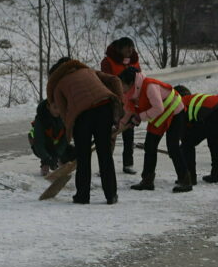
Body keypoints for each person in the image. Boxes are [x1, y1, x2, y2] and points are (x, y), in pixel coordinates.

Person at [47, 57, 123, 205]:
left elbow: (65, 116)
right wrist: (119, 105)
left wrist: (69, 140)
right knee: (105, 154)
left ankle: (82, 196)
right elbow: (115, 80)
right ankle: (111, 195)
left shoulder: (58, 86)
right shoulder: (88, 71)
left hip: (82, 116)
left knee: (83, 157)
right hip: (104, 108)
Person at [118, 67, 192, 193]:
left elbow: (158, 108)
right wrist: (119, 127)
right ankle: (147, 181)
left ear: (130, 83)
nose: (121, 88)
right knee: (150, 146)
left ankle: (185, 180)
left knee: (173, 147)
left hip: (175, 112)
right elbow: (129, 111)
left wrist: (139, 117)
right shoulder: (131, 93)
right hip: (160, 116)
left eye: (122, 84)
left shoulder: (149, 86)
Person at [174, 85, 218, 184]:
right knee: (214, 141)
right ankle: (216, 175)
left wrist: (181, 146)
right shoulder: (194, 99)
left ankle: (190, 177)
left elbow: (185, 131)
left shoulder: (180, 104)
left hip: (215, 115)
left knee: (187, 144)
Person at [100, 37, 141, 174]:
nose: (130, 50)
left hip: (131, 103)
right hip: (114, 103)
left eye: (132, 47)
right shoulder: (107, 62)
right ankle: (106, 165)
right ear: (119, 48)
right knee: (110, 134)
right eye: (127, 47)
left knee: (129, 133)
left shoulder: (135, 62)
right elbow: (106, 81)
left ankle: (128, 163)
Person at [28, 99, 74, 176]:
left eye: (60, 107)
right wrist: (47, 158)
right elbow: (39, 143)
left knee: (72, 153)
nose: (58, 111)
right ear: (48, 107)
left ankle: (61, 162)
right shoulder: (41, 120)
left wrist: (57, 155)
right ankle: (45, 164)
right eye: (55, 107)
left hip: (56, 145)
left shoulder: (65, 118)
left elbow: (65, 140)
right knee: (47, 157)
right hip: (41, 146)